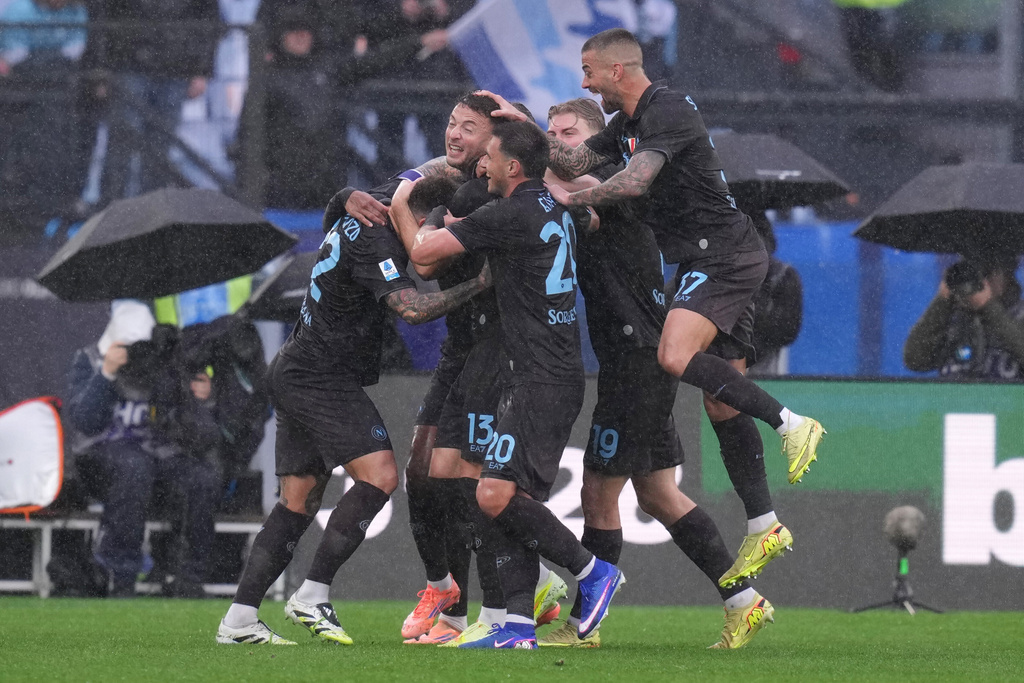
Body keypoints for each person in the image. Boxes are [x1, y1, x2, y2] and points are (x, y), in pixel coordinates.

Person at [490, 27, 826, 589]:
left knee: (673, 355)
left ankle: (792, 422)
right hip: (719, 256)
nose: (584, 81)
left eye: (589, 71)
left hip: (720, 258)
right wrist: (521, 129)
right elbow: (574, 159)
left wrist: (567, 199)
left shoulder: (665, 108)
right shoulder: (625, 126)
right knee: (720, 403)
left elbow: (635, 181)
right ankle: (763, 522)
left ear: (617, 71)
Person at [215, 174, 493, 646]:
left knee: (298, 499)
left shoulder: (370, 212)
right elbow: (411, 309)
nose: (433, 246)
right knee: (380, 475)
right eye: (434, 232)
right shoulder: (377, 238)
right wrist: (480, 284)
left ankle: (239, 620)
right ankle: (312, 593)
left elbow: (339, 213)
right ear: (421, 219)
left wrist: (341, 195)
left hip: (297, 367)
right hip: (320, 376)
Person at [537, 97, 772, 650]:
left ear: (593, 142)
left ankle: (583, 626)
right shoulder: (606, 189)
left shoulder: (610, 191)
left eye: (566, 132)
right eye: (548, 131)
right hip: (637, 359)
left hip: (635, 363)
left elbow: (575, 208)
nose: (556, 140)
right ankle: (744, 600)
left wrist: (518, 156)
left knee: (598, 492)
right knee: (660, 495)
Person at [411, 120, 625, 650]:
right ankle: (516, 627)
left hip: (542, 380)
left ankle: (591, 570)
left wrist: (421, 206)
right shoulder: (553, 207)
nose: (482, 164)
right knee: (507, 496)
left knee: (493, 493)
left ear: (513, 167)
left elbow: (421, 253)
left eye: (491, 157)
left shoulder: (508, 214)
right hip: (542, 375)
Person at [387, 97, 567, 646]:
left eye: (472, 129)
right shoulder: (465, 187)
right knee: (425, 474)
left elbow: (423, 259)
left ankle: (501, 606)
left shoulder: (484, 195)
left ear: (497, 147)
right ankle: (455, 601)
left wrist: (401, 197)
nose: (455, 134)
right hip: (460, 348)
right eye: (450, 123)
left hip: (498, 349)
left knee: (472, 480)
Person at [67, 300, 221, 598]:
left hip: (155, 454)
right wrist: (107, 373)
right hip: (100, 457)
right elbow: (85, 421)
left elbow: (188, 424)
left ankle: (188, 576)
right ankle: (121, 573)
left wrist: (201, 397)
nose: (135, 353)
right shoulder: (88, 358)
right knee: (134, 467)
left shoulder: (161, 362)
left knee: (201, 479)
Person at [91, 0, 221, 201]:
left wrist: (202, 69)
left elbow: (209, 17)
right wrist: (103, 68)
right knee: (124, 141)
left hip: (175, 65)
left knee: (159, 147)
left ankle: (151, 212)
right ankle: (111, 209)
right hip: (132, 62)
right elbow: (108, 13)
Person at [904, 256, 1024, 379]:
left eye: (987, 274)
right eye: (974, 275)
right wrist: (942, 300)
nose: (981, 281)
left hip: (1005, 396)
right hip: (954, 396)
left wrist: (989, 308)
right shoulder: (950, 315)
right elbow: (914, 359)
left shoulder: (1020, 313)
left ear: (1006, 277)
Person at [748, 212, 803, 377]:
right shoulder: (718, 275)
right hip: (722, 361)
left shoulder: (783, 275)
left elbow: (788, 330)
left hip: (765, 366)